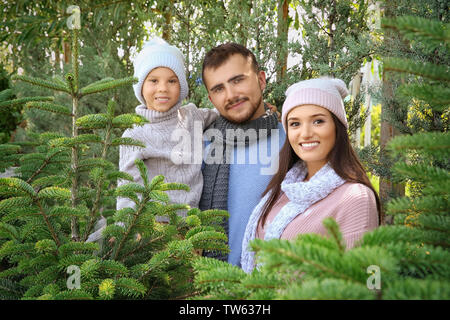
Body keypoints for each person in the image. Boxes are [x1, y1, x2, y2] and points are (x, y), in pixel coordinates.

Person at [241, 77, 380, 273]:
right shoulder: (285, 189)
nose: (305, 133)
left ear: (337, 126)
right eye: (295, 124)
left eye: (318, 121)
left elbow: (365, 282)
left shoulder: (355, 197)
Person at [199, 43, 286, 266]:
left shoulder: (292, 142)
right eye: (218, 88)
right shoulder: (200, 145)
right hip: (205, 288)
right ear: (211, 99)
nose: (231, 95)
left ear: (261, 80)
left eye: (238, 80)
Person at [116, 37, 219, 218]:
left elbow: (223, 112)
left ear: (181, 87)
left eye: (172, 81)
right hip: (153, 228)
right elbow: (128, 188)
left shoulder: (192, 116)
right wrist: (125, 231)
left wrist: (261, 110)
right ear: (140, 87)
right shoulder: (135, 133)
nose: (163, 88)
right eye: (153, 81)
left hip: (192, 225)